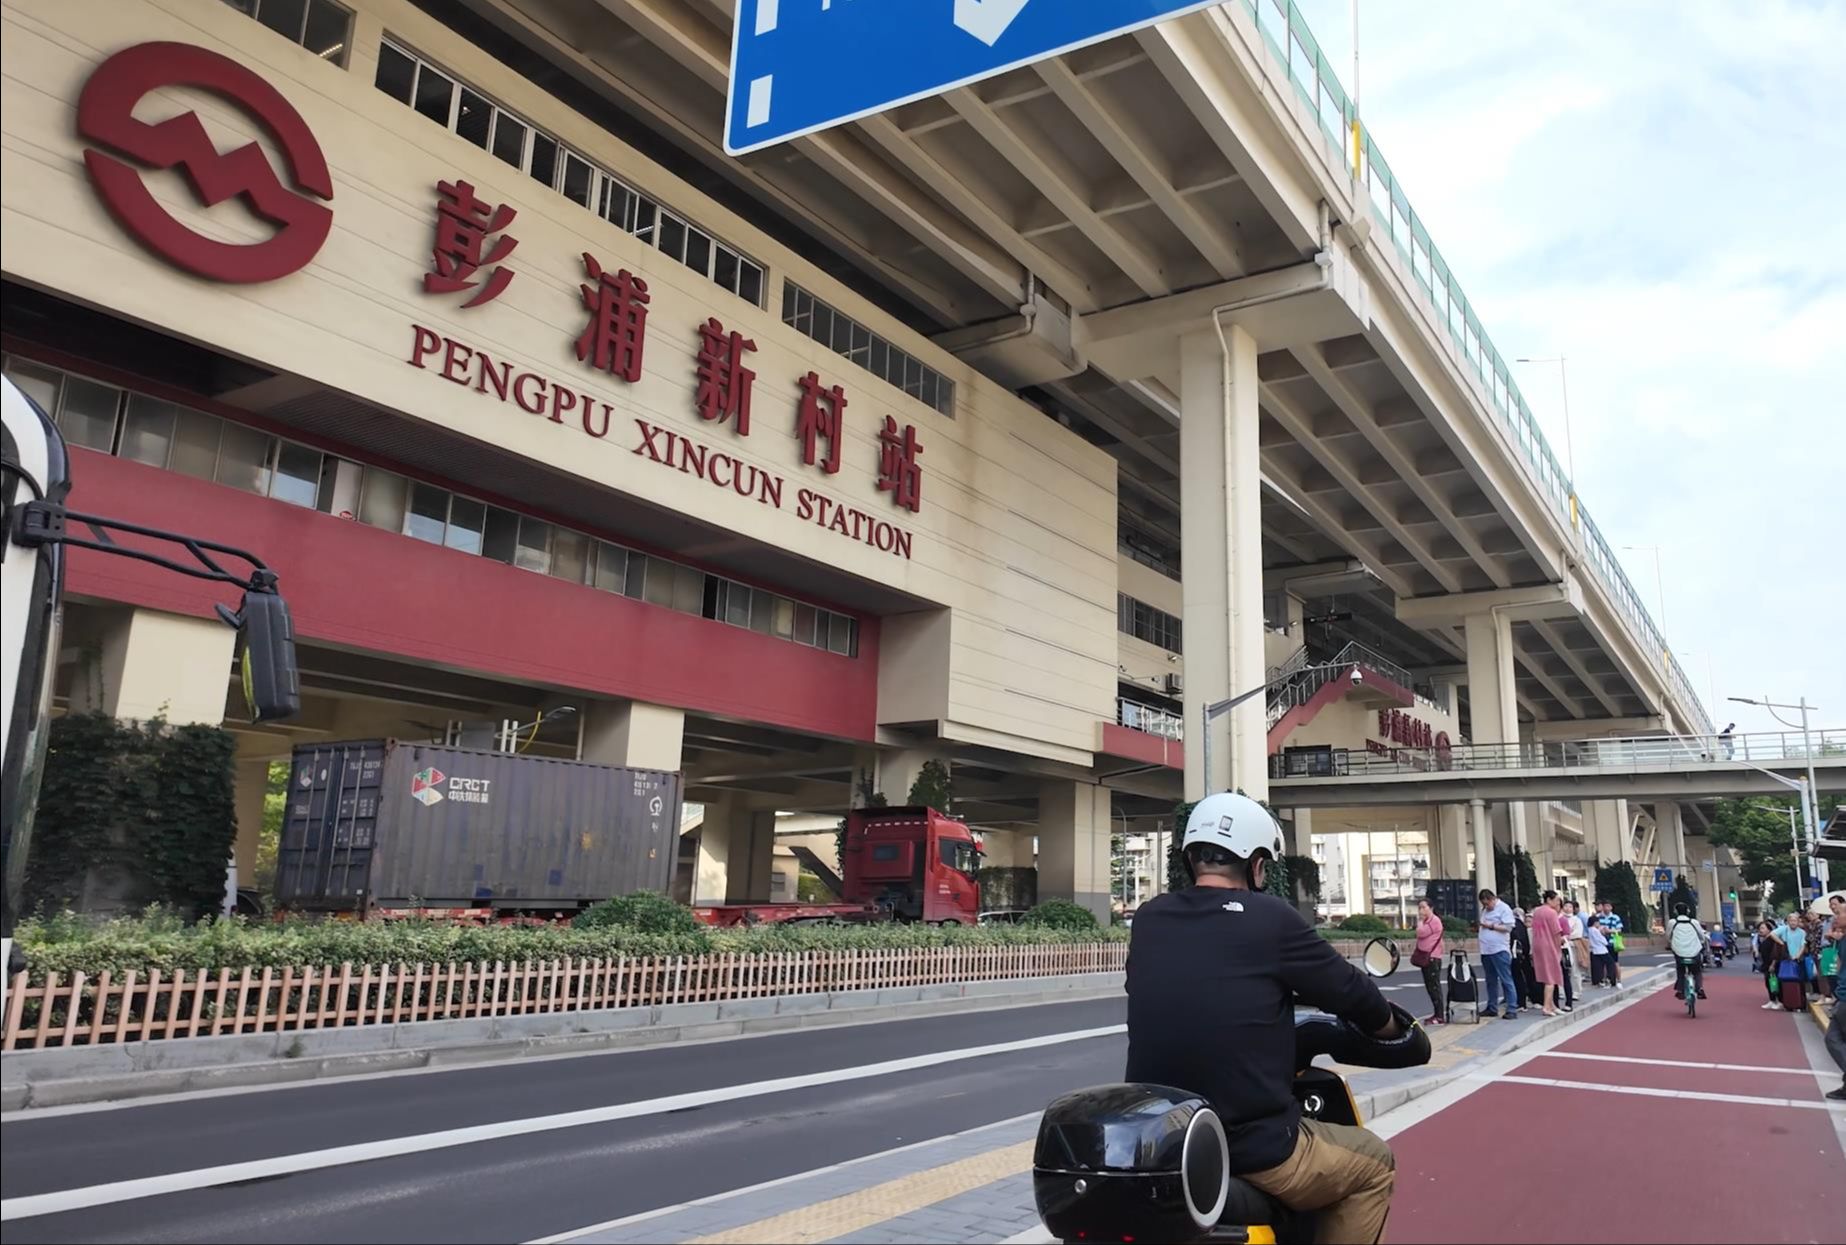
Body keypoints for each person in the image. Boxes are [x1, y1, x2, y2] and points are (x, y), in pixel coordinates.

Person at [1124, 791, 1403, 1244]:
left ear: (1191, 858)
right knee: (1373, 1164)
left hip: (1165, 1138)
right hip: (1252, 1147)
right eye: (1265, 866)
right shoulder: (1271, 917)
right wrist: (1389, 1027)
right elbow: (1351, 991)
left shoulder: (1150, 917)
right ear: (1256, 865)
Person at [1477, 888, 1520, 1019]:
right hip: (1486, 950)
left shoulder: (1503, 908)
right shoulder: (1484, 910)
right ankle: (1492, 1006)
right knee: (1490, 980)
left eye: (1487, 903)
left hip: (1499, 949)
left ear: (1492, 899)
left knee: (1506, 979)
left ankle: (1512, 1008)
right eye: (1483, 904)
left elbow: (1508, 928)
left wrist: (1491, 926)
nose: (1486, 906)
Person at [1530, 891, 1566, 1016]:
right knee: (1551, 977)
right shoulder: (1551, 913)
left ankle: (1552, 1005)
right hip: (1549, 945)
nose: (1558, 903)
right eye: (1556, 900)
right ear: (1549, 900)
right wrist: (1559, 945)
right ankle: (1546, 1006)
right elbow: (1556, 932)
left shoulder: (1537, 911)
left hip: (1537, 944)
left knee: (1545, 975)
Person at [1414, 898, 1446, 1025]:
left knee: (1434, 987)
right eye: (1419, 908)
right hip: (1427, 958)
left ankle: (1439, 1016)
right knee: (1430, 987)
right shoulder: (1428, 921)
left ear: (1431, 908)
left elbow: (1421, 933)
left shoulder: (1434, 921)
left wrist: (1420, 921)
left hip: (1432, 958)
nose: (1421, 910)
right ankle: (1436, 1013)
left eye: (1423, 907)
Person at [1666, 904, 1707, 1001]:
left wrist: (1670, 944)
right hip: (1694, 952)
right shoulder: (1694, 922)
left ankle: (1680, 990)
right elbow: (1702, 936)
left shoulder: (1672, 922)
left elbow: (1668, 936)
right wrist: (1701, 942)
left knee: (1681, 970)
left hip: (1679, 952)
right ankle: (1699, 988)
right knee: (1697, 971)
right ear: (1688, 911)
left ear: (1675, 912)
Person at [1563, 900, 1589, 1005]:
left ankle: (1576, 992)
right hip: (1562, 946)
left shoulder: (1576, 920)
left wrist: (1566, 936)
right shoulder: (1559, 918)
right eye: (1565, 906)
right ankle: (1562, 992)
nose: (1567, 908)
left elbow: (1577, 933)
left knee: (1575, 970)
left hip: (1573, 945)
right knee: (1563, 970)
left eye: (1570, 907)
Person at [1594, 900, 1625, 985]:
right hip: (1601, 943)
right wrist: (1601, 930)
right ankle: (1605, 980)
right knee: (1603, 963)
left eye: (1608, 906)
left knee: (1615, 962)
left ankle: (1618, 980)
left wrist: (1610, 931)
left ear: (1611, 907)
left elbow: (1619, 930)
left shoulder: (1615, 917)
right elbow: (1594, 928)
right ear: (1602, 907)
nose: (1607, 908)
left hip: (1612, 942)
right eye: (1605, 906)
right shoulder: (1598, 917)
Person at [1757, 919, 1786, 1009]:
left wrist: (1773, 964)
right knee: (1769, 983)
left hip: (1772, 965)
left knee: (1774, 983)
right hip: (1766, 964)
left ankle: (1779, 1001)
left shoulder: (1772, 940)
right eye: (1760, 928)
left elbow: (1776, 953)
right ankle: (1772, 1000)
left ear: (1769, 929)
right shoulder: (1764, 940)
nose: (1760, 930)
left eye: (1763, 928)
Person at [1586, 910, 1612, 986]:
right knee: (1610, 963)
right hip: (1601, 950)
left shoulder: (1589, 930)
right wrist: (1605, 938)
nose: (1599, 924)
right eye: (1598, 922)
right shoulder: (1595, 931)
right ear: (1595, 923)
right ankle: (1608, 978)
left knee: (1597, 967)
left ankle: (1597, 981)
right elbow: (1603, 940)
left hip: (1594, 950)